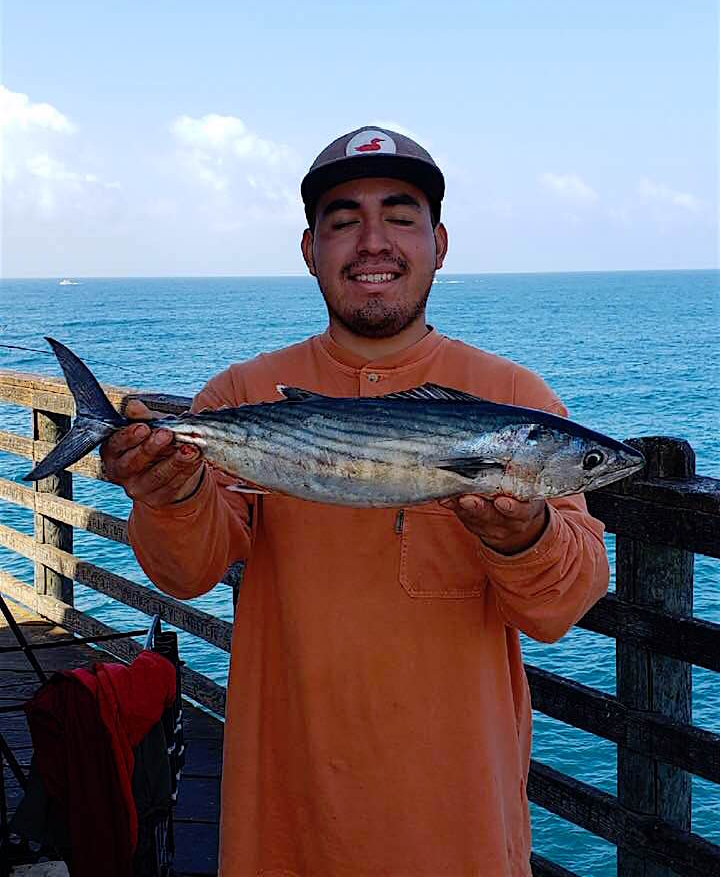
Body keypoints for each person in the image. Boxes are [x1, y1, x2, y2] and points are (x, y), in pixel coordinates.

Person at [102, 126, 609, 877]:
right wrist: (170, 495)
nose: (374, 242)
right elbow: (186, 573)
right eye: (343, 221)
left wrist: (523, 536)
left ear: (439, 243)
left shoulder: (513, 397)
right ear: (310, 250)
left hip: (457, 821)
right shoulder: (243, 393)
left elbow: (562, 607)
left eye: (400, 217)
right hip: (286, 812)